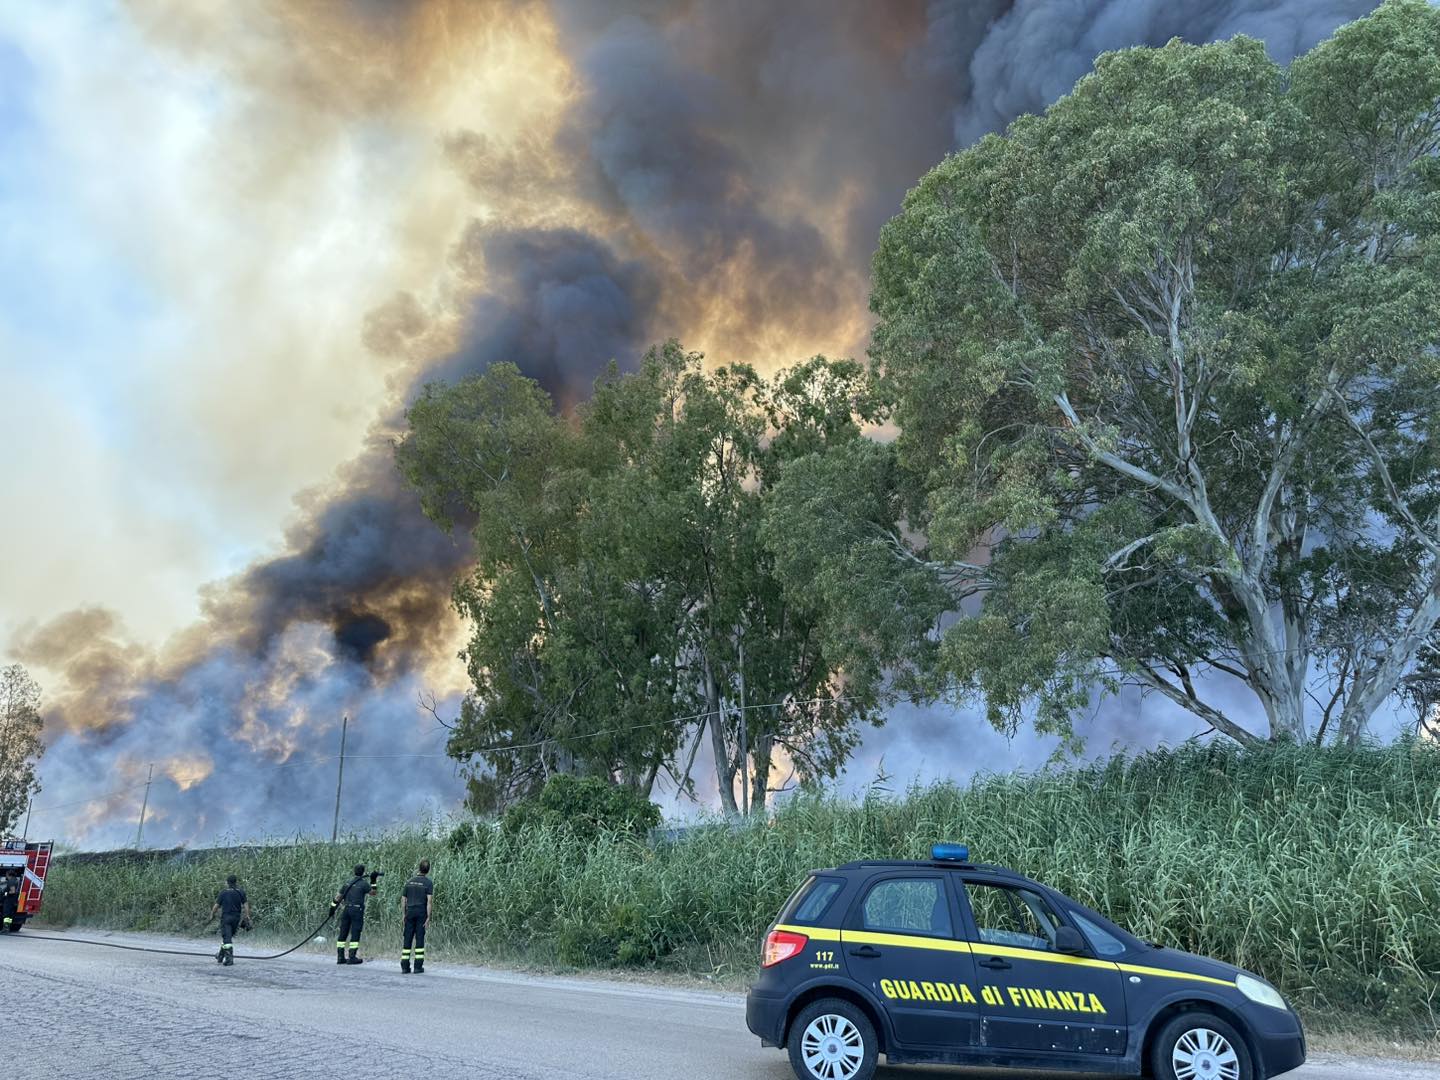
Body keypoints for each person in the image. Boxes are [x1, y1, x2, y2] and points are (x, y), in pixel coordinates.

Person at [330, 864, 378, 965]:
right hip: (357, 910)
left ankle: (340, 957)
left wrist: (332, 908)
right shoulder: (363, 884)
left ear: (354, 871)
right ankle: (352, 957)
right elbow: (373, 893)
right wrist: (373, 880)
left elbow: (338, 897)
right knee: (355, 932)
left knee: (343, 932)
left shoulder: (347, 883)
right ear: (363, 872)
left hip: (347, 909)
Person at [399, 860, 434, 974]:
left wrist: (404, 914)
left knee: (407, 938)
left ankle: (405, 966)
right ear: (428, 870)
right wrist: (428, 917)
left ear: (419, 868)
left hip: (410, 912)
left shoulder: (409, 881)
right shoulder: (428, 883)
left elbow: (403, 900)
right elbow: (429, 901)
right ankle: (418, 966)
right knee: (419, 939)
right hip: (421, 912)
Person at [209, 874, 250, 966]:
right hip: (236, 918)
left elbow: (216, 906)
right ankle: (220, 956)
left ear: (227, 883)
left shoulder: (223, 893)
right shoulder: (240, 892)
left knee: (227, 938)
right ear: (236, 882)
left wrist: (212, 914)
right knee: (228, 937)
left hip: (226, 918)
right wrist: (247, 916)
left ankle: (229, 959)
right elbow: (246, 905)